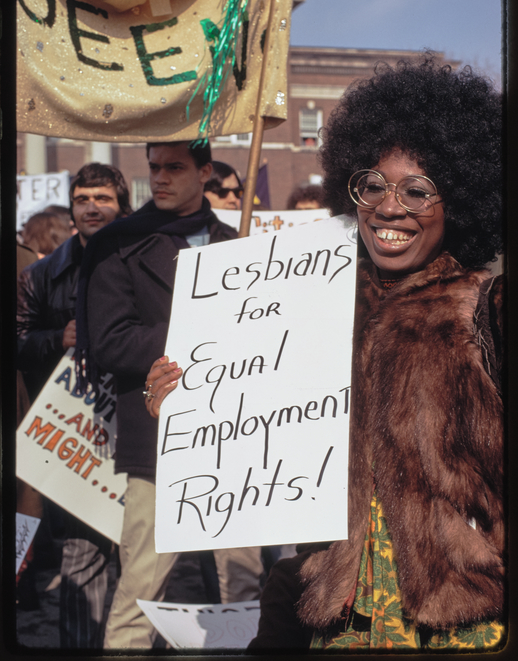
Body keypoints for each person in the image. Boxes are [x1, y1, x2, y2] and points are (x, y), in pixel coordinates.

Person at [146, 55, 505, 652]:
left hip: (461, 627)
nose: (390, 208)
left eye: (419, 190)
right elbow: (251, 428)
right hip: (332, 620)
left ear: (461, 198)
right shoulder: (305, 303)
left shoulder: (485, 312)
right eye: (372, 185)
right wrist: (188, 405)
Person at [75, 141, 265, 649]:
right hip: (160, 441)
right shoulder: (118, 245)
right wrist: (199, 333)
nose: (159, 178)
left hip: (237, 438)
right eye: (154, 167)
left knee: (243, 585)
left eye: (174, 168)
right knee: (140, 589)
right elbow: (111, 341)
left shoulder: (239, 241)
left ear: (205, 171)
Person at [17, 162, 132, 647]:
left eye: (102, 198)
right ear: (71, 209)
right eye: (83, 198)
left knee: (139, 558)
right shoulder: (41, 275)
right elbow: (17, 339)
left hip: (133, 430)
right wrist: (53, 339)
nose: (91, 207)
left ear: (121, 206)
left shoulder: (145, 259)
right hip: (75, 432)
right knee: (80, 554)